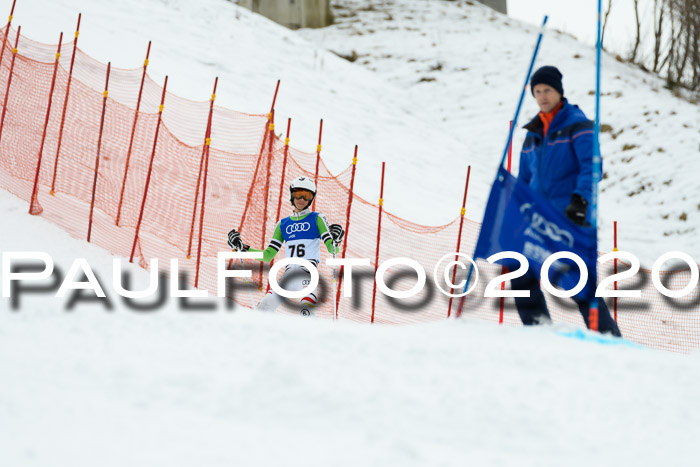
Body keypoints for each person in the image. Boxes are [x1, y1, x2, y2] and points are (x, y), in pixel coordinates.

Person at [515, 65, 621, 336]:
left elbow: (592, 166)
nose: (542, 96)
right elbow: (524, 177)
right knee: (521, 273)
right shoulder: (533, 133)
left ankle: (607, 337)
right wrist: (518, 207)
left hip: (570, 216)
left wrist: (581, 202)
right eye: (537, 91)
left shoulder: (577, 123)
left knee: (578, 283)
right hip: (539, 218)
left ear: (558, 92)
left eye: (547, 90)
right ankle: (538, 330)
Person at [227, 176, 344, 317]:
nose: (301, 199)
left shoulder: (317, 218)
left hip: (307, 274)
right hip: (287, 277)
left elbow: (332, 249)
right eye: (297, 194)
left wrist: (336, 241)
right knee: (263, 307)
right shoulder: (283, 224)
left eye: (306, 196)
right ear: (291, 195)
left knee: (306, 312)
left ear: (311, 199)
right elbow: (268, 254)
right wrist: (243, 248)